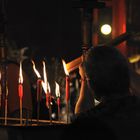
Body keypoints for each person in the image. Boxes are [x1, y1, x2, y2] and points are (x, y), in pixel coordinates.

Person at [61, 46, 140, 140]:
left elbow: (81, 115)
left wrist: (84, 80)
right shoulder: (135, 109)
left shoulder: (91, 123)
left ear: (91, 82)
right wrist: (125, 68)